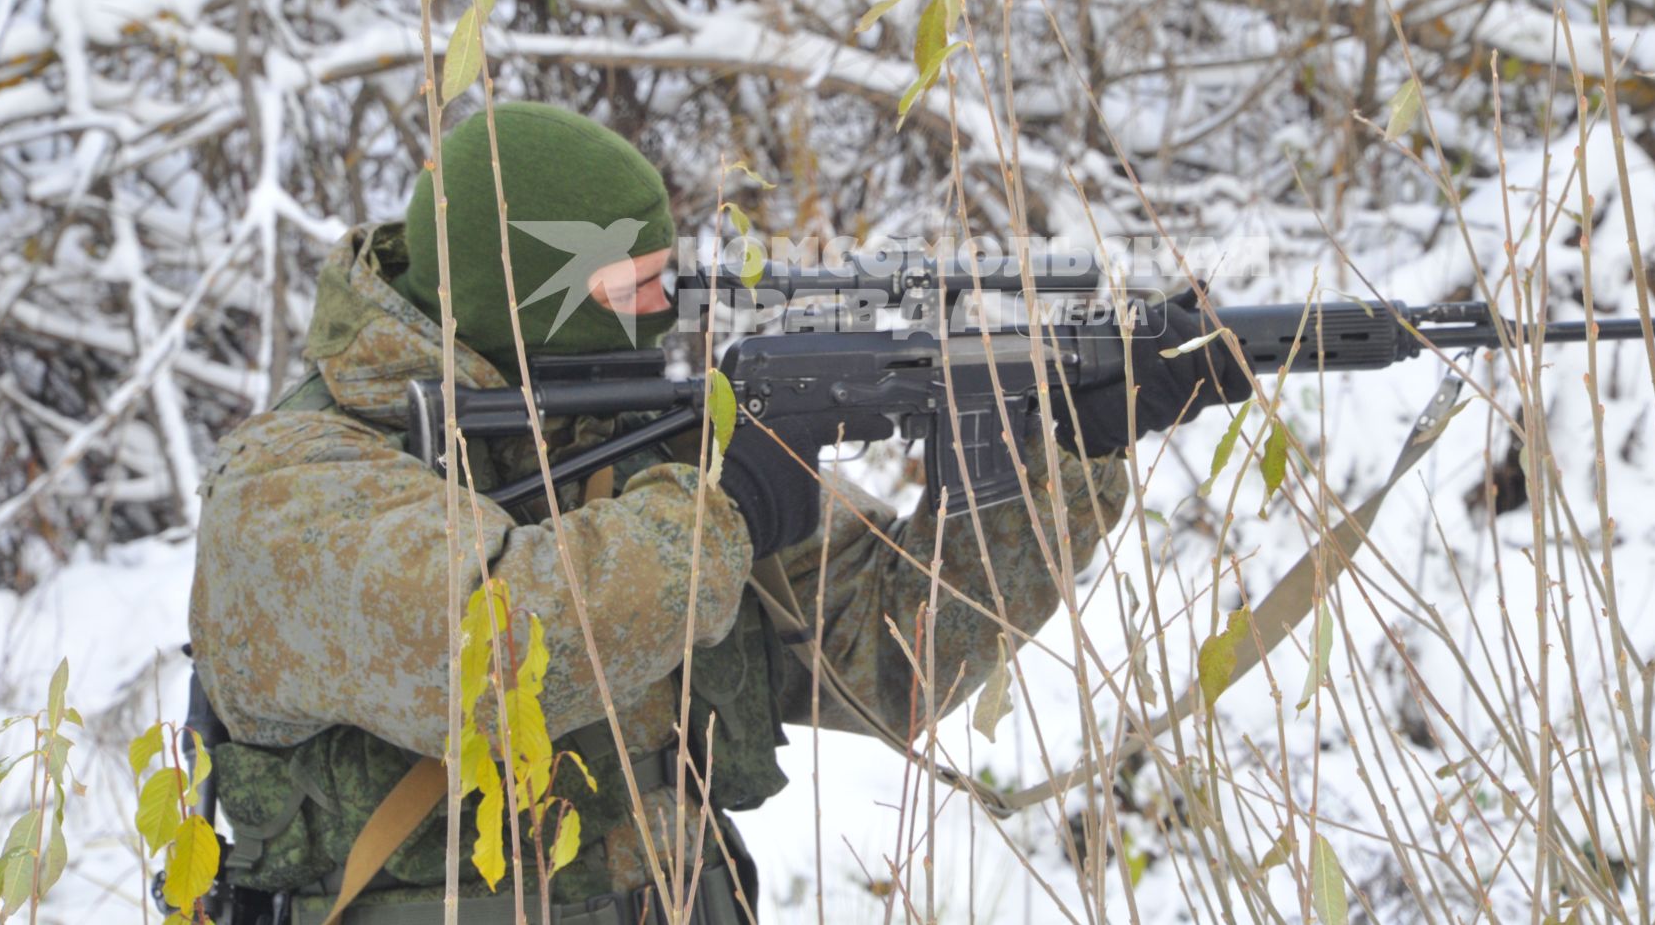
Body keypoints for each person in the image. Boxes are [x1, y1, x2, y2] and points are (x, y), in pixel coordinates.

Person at [189, 102, 1251, 925]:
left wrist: (1066, 456)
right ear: (526, 290)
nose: (665, 313)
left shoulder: (641, 462)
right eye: (632, 287)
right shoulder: (294, 488)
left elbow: (893, 660)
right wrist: (729, 504)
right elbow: (495, 647)